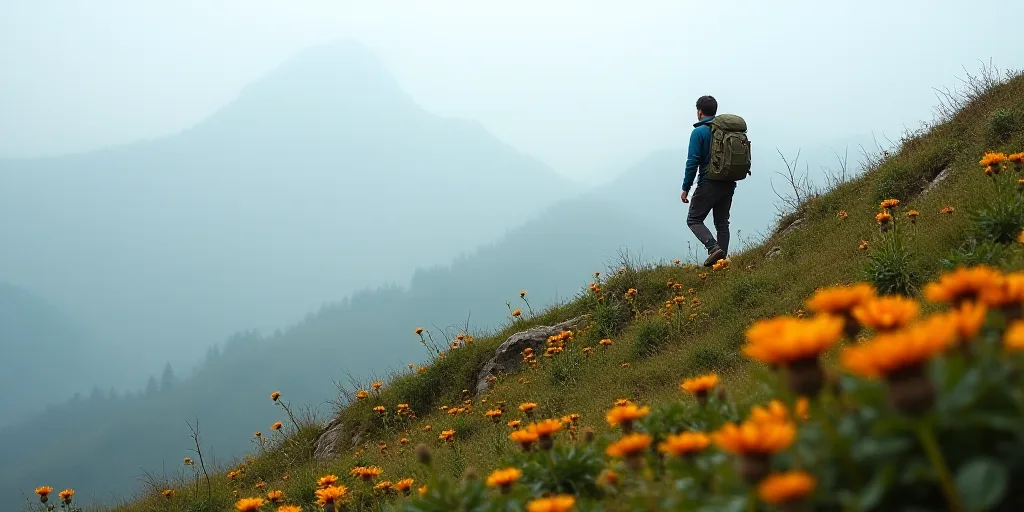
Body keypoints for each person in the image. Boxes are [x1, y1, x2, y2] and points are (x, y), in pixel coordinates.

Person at [680, 95, 736, 267]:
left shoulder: (699, 132)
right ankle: (722, 263)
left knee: (694, 219)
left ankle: (713, 248)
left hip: (709, 181)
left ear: (699, 112)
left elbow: (692, 161)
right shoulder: (726, 131)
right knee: (722, 222)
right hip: (729, 181)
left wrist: (686, 187)